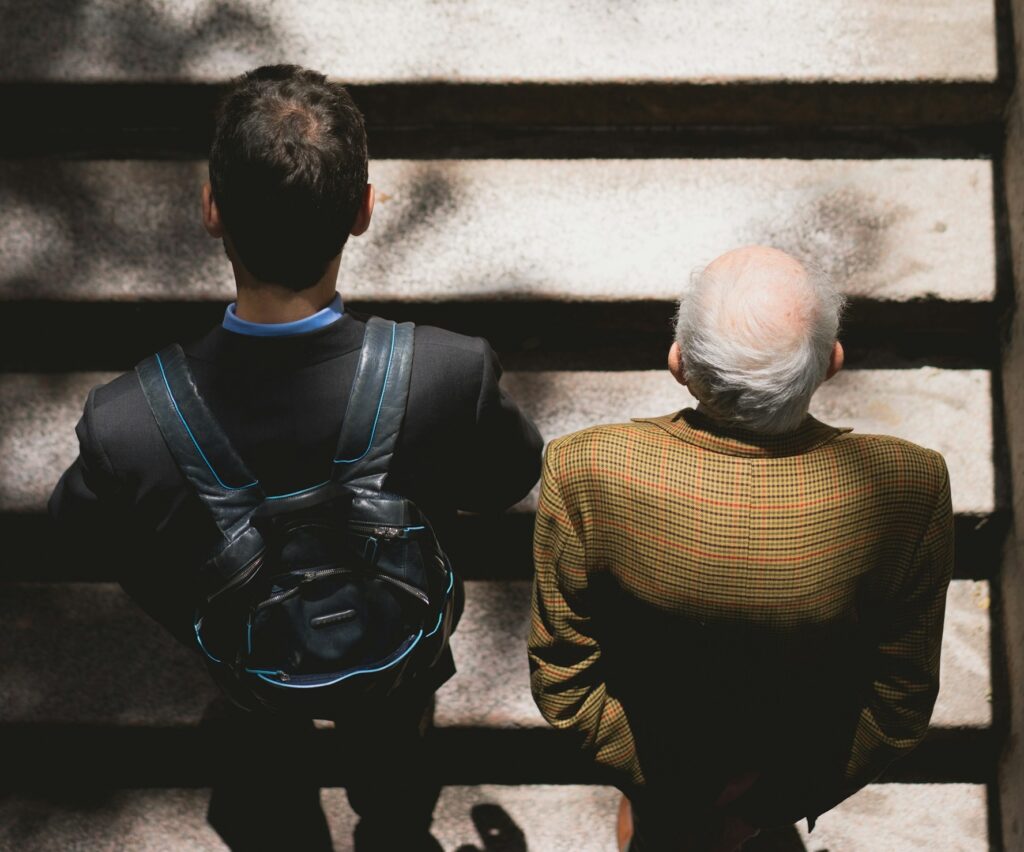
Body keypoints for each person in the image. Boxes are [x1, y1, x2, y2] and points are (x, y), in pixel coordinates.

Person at [49, 64, 543, 852]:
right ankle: (391, 819)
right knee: (394, 753)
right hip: (397, 647)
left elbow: (78, 532)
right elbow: (511, 477)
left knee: (262, 749)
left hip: (250, 656)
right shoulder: (449, 374)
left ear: (213, 212)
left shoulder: (128, 420)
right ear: (363, 211)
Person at [528, 245, 954, 851]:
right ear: (833, 363)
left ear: (678, 363)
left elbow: (563, 676)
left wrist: (662, 783)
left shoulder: (586, 469)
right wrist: (773, 802)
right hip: (796, 742)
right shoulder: (911, 487)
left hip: (659, 744)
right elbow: (900, 699)